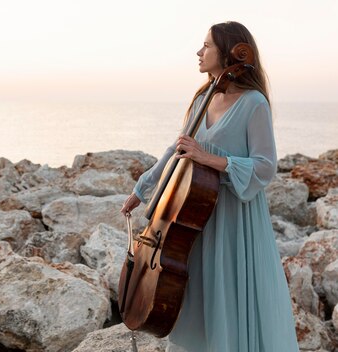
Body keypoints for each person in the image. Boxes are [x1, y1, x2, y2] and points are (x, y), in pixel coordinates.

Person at [119, 21, 299, 351]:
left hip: (233, 217)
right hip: (195, 215)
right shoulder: (203, 97)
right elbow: (177, 149)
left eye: (207, 46)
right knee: (199, 297)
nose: (199, 53)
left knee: (230, 292)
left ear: (230, 51)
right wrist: (142, 189)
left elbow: (264, 166)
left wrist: (209, 158)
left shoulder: (254, 103)